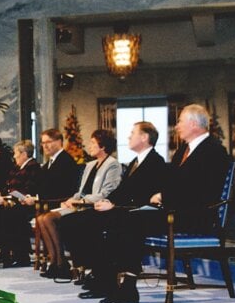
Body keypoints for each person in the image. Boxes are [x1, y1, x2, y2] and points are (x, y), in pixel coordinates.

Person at [92, 105, 230, 303]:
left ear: (193, 123)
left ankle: (129, 287)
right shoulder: (184, 149)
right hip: (174, 210)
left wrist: (164, 196)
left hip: (195, 216)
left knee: (130, 219)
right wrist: (160, 195)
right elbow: (173, 181)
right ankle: (111, 281)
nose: (177, 126)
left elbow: (202, 191)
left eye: (181, 121)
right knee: (117, 217)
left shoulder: (214, 150)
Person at [64, 121, 167, 293]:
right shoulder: (136, 161)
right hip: (125, 209)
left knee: (95, 222)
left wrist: (114, 206)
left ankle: (104, 278)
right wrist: (107, 201)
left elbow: (144, 195)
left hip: (140, 214)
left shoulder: (156, 161)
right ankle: (97, 272)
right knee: (74, 221)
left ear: (144, 137)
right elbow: (122, 190)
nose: (128, 136)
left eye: (132, 133)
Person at [35, 129, 121, 279]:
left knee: (48, 218)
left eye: (93, 143)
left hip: (91, 206)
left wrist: (81, 201)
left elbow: (106, 192)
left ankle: (62, 264)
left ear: (103, 146)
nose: (90, 145)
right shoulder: (90, 165)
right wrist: (71, 199)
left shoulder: (112, 165)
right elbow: (81, 190)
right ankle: (55, 262)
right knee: (42, 218)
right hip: (80, 204)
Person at [0, 140, 42, 268]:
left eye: (16, 153)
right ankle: (4, 251)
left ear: (24, 154)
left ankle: (18, 254)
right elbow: (8, 185)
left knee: (9, 213)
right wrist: (0, 195)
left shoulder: (33, 167)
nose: (14, 156)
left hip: (27, 204)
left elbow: (29, 189)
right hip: (13, 202)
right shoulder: (16, 167)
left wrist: (8, 198)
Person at [36, 128, 81, 201]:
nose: (45, 146)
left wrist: (37, 199)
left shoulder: (67, 161)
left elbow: (62, 191)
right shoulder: (47, 164)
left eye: (48, 142)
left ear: (59, 142)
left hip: (59, 206)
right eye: (43, 143)